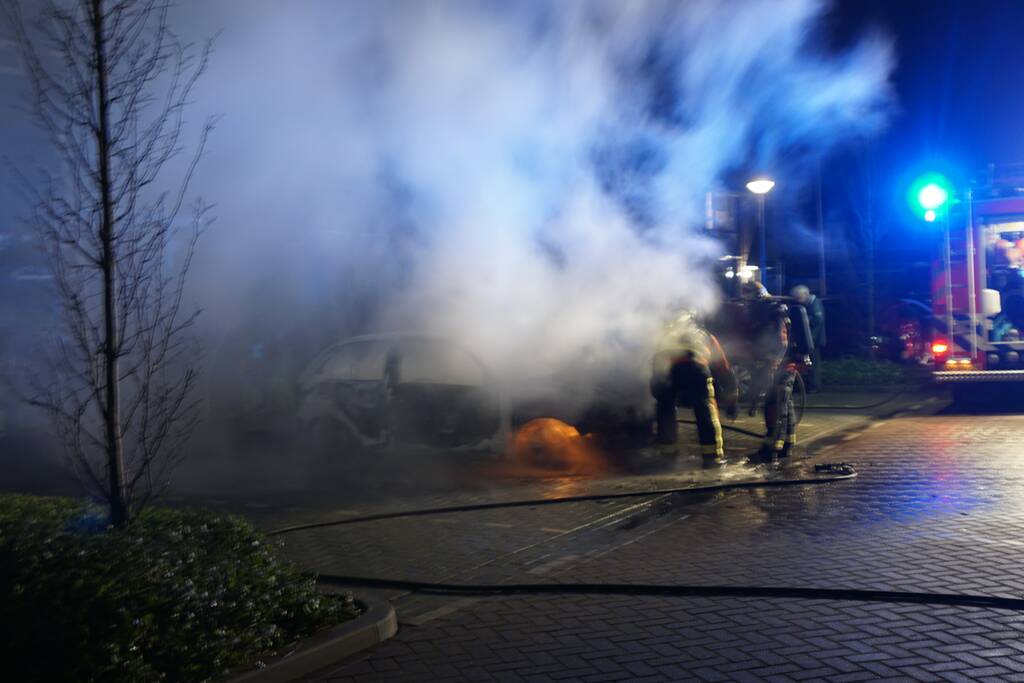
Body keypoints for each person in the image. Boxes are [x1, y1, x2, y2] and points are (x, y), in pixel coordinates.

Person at [650, 311, 738, 465]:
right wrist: (732, 396)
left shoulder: (665, 335)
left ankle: (668, 455)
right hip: (697, 370)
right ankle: (712, 457)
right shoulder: (704, 335)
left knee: (665, 409)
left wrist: (657, 388)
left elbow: (657, 362)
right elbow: (722, 366)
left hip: (670, 371)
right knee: (705, 409)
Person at [742, 281, 813, 463]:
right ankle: (787, 445)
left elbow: (781, 342)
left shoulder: (773, 312)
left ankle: (770, 450)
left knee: (774, 405)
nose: (747, 304)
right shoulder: (767, 310)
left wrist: (772, 364)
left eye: (749, 299)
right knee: (784, 403)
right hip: (784, 362)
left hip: (783, 364)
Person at [791, 285, 825, 391]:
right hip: (809, 339)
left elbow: (817, 321)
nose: (798, 301)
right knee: (809, 363)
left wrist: (811, 340)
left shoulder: (815, 304)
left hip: (814, 340)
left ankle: (814, 386)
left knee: (813, 364)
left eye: (799, 298)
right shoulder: (810, 304)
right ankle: (810, 385)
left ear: (806, 294)